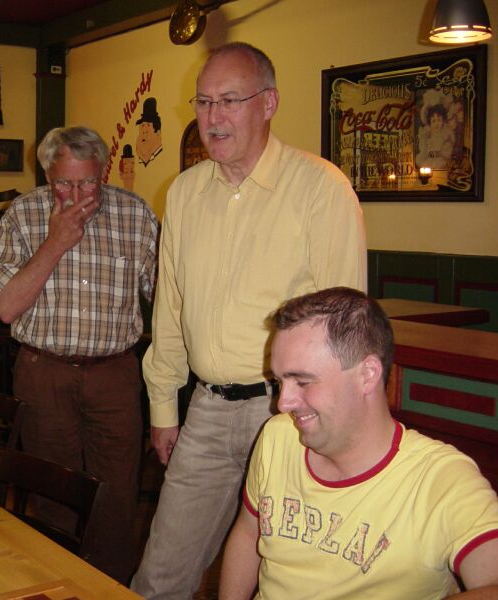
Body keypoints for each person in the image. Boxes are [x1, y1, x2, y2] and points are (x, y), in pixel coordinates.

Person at [132, 42, 367, 599]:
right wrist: (164, 408)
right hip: (207, 411)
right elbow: (171, 309)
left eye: (229, 101)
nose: (212, 117)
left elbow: (347, 326)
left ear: (268, 104)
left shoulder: (321, 188)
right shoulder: (184, 193)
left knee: (290, 580)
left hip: (293, 413)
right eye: (203, 102)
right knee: (160, 577)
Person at [220, 287, 498, 599]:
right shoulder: (278, 435)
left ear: (367, 374)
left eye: (303, 382)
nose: (283, 403)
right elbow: (249, 533)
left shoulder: (441, 479)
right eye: (279, 382)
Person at [0, 125, 159, 583]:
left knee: (117, 499)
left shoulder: (136, 214)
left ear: (104, 173)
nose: (78, 195)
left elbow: (166, 297)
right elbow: (6, 307)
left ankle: (109, 589)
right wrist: (56, 241)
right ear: (48, 175)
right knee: (52, 492)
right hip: (44, 372)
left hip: (115, 375)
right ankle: (58, 585)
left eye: (88, 183)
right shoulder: (22, 215)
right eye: (65, 183)